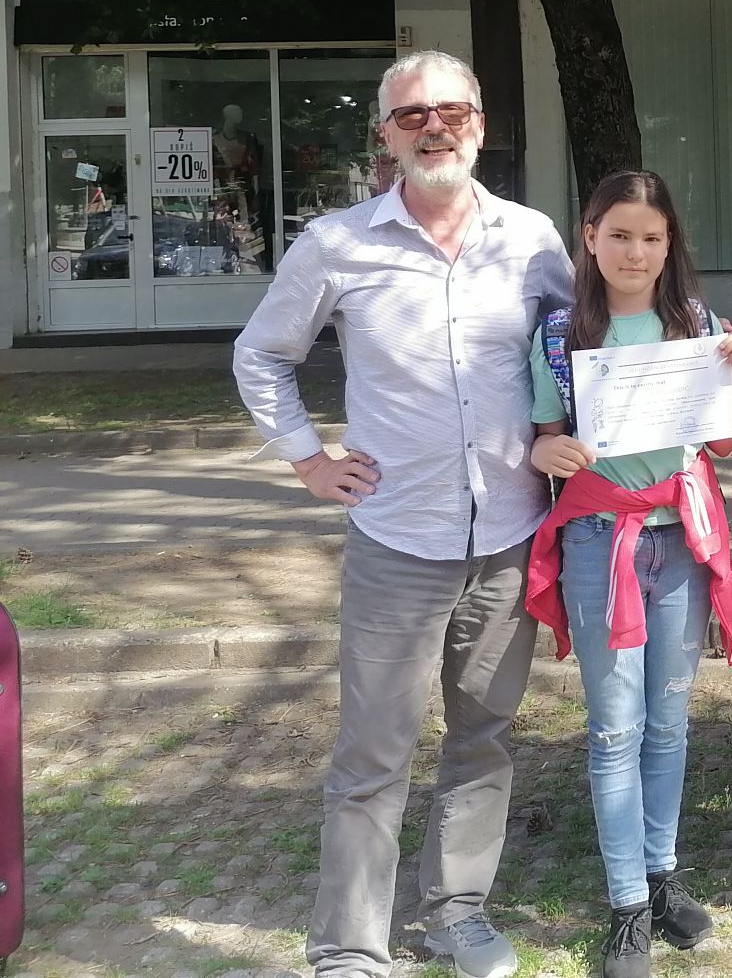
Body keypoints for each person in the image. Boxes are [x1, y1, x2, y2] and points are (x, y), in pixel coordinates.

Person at [233, 50, 571, 978]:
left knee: (483, 739)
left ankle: (457, 913)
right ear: (386, 135)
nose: (434, 128)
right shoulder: (335, 243)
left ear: (480, 125)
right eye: (412, 115)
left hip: (508, 534)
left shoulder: (532, 239)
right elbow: (262, 354)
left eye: (451, 111)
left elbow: (578, 350)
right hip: (398, 538)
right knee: (374, 754)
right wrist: (306, 457)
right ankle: (349, 946)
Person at [520, 169, 732, 978]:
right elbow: (542, 437)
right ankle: (626, 906)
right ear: (589, 237)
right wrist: (545, 451)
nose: (635, 251)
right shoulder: (561, 334)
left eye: (651, 237)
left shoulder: (697, 325)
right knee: (615, 728)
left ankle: (663, 877)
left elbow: (723, 441)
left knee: (668, 722)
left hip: (681, 542)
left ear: (669, 244)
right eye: (619, 234)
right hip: (599, 544)